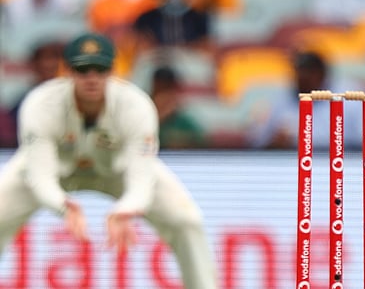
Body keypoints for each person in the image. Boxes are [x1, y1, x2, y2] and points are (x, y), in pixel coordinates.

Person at [0, 32, 218, 288]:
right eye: (83, 70)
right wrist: (62, 204)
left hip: (118, 171)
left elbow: (140, 178)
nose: (92, 79)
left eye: (100, 70)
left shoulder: (136, 106)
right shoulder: (41, 104)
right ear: (68, 72)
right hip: (55, 169)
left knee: (187, 221)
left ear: (112, 71)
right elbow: (40, 175)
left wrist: (126, 207)